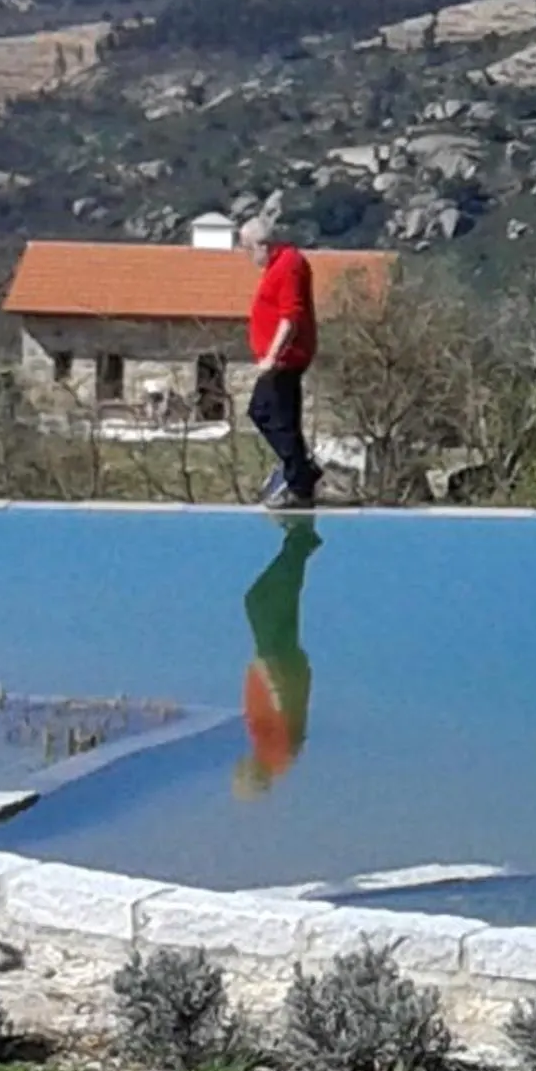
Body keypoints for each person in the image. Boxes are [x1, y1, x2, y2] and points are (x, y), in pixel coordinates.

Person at [233, 514, 319, 798]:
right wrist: (268, 673)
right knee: (258, 601)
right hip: (276, 663)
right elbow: (282, 706)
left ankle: (298, 541)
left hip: (283, 664)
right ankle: (299, 540)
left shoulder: (274, 756)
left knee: (279, 604)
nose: (237, 768)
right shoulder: (276, 754)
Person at [242, 214, 322, 508]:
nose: (248, 257)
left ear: (261, 245)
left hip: (286, 358)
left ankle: (301, 477)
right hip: (280, 358)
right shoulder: (280, 265)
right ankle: (300, 475)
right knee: (281, 418)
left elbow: (291, 316)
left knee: (264, 412)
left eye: (247, 249)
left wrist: (273, 356)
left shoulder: (289, 265)